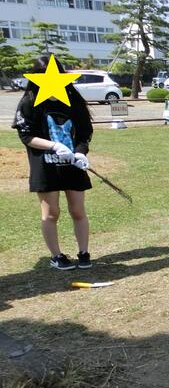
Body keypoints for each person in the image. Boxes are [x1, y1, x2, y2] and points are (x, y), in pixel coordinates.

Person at [12, 55, 94, 270]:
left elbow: (85, 132)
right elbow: (26, 136)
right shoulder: (29, 102)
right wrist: (54, 146)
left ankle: (84, 252)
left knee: (77, 210)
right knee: (51, 213)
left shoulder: (73, 100)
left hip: (72, 165)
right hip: (45, 166)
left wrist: (80, 152)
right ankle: (57, 256)